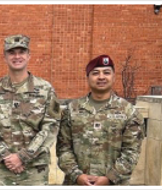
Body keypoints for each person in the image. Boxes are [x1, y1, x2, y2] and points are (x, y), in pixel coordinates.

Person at [0, 34, 61, 185]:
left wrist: (22, 157)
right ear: (5, 57)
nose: (17, 56)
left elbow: (51, 127)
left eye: (21, 52)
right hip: (1, 169)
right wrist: (6, 156)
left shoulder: (45, 90)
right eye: (12, 52)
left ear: (29, 55)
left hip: (34, 170)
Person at [56, 55, 144, 186]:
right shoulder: (71, 110)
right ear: (88, 77)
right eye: (95, 73)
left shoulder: (129, 112)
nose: (101, 77)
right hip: (76, 183)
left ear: (114, 77)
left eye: (106, 72)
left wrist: (110, 178)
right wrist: (77, 175)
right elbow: (63, 148)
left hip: (115, 184)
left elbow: (131, 152)